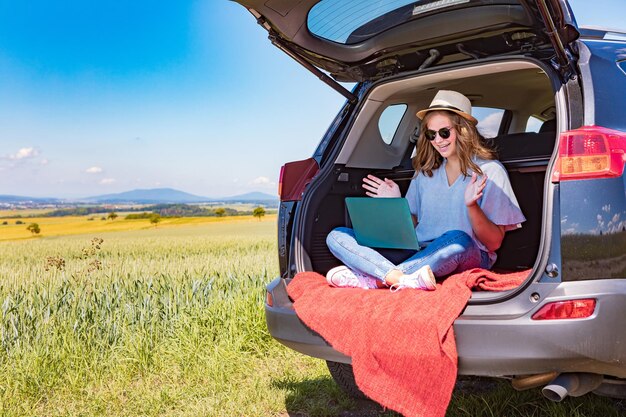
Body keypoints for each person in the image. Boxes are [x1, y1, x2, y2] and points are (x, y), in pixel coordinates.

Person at [326, 90, 526, 291]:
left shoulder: (491, 171)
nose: (438, 140)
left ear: (464, 130)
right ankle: (399, 279)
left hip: (465, 254)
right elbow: (412, 226)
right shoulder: (425, 173)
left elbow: (493, 244)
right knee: (337, 236)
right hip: (420, 253)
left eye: (444, 132)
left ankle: (375, 278)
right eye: (431, 134)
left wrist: (471, 206)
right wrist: (396, 202)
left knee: (457, 241)